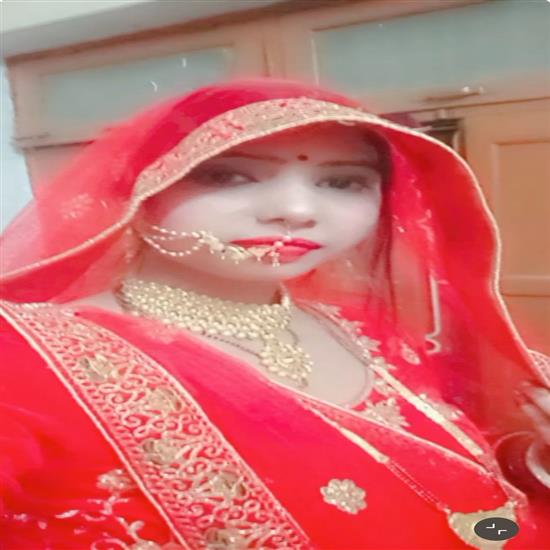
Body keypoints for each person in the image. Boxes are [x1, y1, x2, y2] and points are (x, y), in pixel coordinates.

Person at [0, 78, 549, 549]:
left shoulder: (356, 330)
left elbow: (448, 481)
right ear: (139, 191)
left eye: (342, 182)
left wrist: (537, 461)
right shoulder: (28, 354)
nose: (297, 211)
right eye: (228, 176)